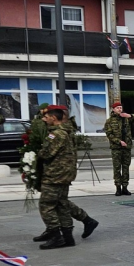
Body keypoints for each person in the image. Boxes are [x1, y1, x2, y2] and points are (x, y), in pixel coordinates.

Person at [35, 105, 94, 249]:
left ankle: (56, 236)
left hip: (55, 174)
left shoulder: (56, 134)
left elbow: (47, 153)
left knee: (46, 205)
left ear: (54, 118)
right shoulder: (65, 131)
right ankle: (67, 238)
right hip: (64, 173)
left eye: (47, 117)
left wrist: (38, 153)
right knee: (61, 204)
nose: (45, 119)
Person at [104, 101, 134, 196]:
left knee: (125, 167)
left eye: (120, 107)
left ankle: (125, 187)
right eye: (117, 108)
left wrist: (130, 116)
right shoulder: (109, 121)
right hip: (116, 148)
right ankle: (118, 187)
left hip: (127, 147)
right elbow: (109, 134)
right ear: (113, 109)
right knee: (117, 168)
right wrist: (119, 141)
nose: (119, 109)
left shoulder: (126, 119)